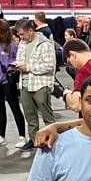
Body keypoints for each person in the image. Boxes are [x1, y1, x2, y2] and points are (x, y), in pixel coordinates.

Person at [14, 18, 57, 151]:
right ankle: (34, 140)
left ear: (31, 31)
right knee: (29, 115)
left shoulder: (45, 44)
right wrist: (17, 65)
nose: (20, 37)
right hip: (25, 84)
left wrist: (28, 67)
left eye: (22, 34)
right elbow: (20, 59)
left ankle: (54, 139)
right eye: (19, 34)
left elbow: (49, 66)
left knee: (47, 115)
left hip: (40, 85)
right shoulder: (22, 43)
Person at [0, 18, 25, 149]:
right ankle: (1, 136)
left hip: (7, 81)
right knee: (0, 109)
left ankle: (22, 137)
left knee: (15, 108)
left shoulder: (12, 45)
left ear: (3, 30)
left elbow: (17, 60)